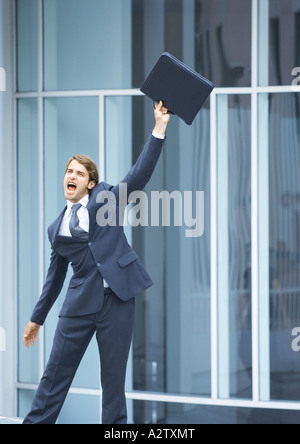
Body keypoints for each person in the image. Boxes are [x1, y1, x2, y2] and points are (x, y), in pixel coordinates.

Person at [22, 101, 171, 424]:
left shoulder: (107, 200)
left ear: (90, 182)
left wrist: (159, 127)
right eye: (68, 171)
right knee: (55, 374)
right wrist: (38, 318)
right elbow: (54, 278)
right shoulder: (56, 229)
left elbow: (139, 174)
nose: (71, 176)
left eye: (79, 172)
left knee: (113, 382)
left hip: (117, 300)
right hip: (78, 304)